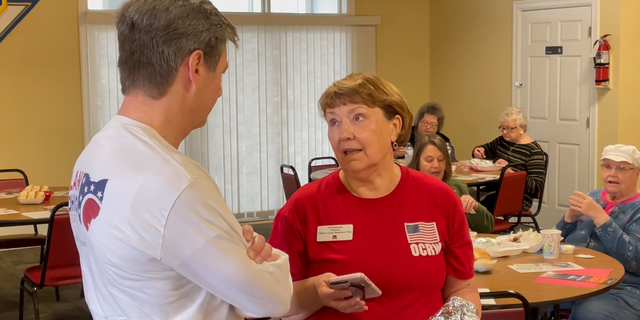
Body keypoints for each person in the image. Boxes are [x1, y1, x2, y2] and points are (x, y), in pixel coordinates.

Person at [68, 1, 292, 319]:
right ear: (196, 67)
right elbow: (273, 299)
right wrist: (267, 260)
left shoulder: (93, 156)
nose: (220, 92)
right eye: (221, 73)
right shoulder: (175, 184)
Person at [269, 72, 481, 319]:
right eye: (333, 121)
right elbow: (273, 303)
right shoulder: (303, 207)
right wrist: (316, 292)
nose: (343, 134)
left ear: (395, 127)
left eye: (358, 117)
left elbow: (463, 288)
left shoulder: (440, 198)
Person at [556, 144, 640, 320]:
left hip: (621, 287)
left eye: (621, 168)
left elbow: (635, 260)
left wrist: (600, 216)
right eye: (607, 166)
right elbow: (553, 241)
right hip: (571, 277)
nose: (612, 173)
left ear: (637, 173)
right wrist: (569, 218)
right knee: (529, 298)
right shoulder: (591, 197)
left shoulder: (637, 209)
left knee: (589, 313)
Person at [407, 135, 494, 233]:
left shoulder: (458, 188)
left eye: (440, 159)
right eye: (429, 160)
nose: (436, 165)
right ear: (418, 163)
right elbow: (402, 229)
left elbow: (487, 228)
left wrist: (475, 207)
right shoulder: (407, 190)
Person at [471, 107, 545, 212]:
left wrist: (513, 174)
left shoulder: (534, 152)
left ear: (522, 127)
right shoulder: (503, 141)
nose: (505, 132)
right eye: (503, 128)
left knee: (473, 206)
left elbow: (536, 188)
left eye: (509, 128)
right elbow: (486, 150)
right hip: (492, 190)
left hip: (516, 198)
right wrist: (477, 150)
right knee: (463, 194)